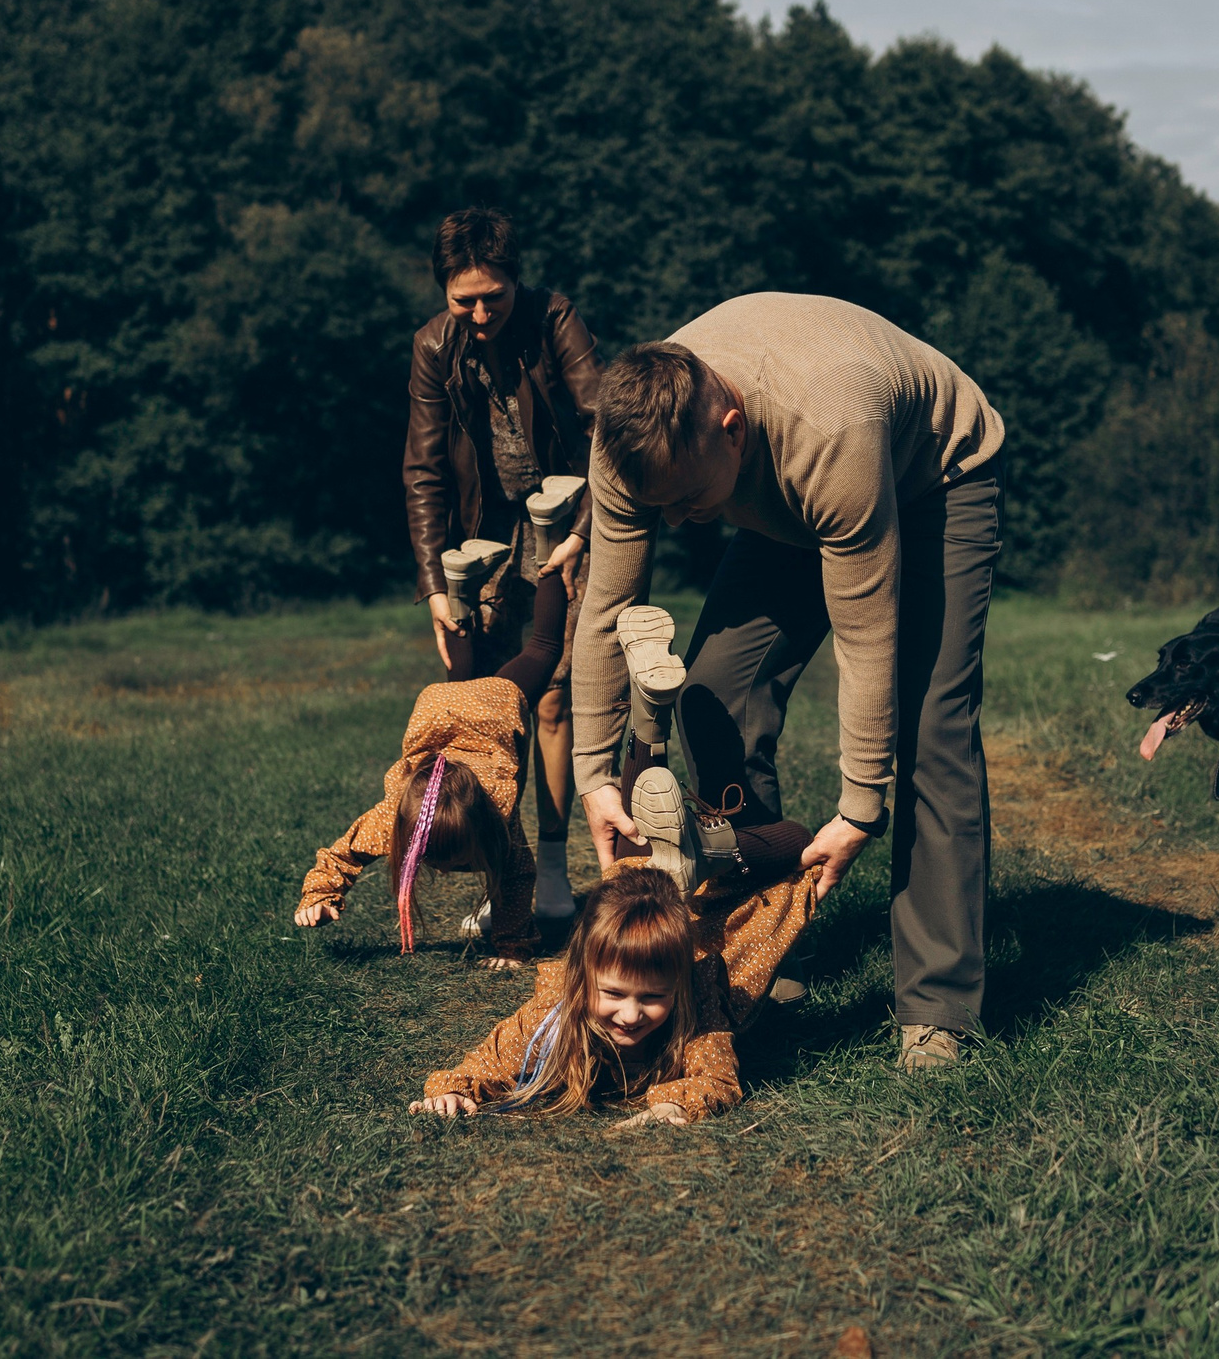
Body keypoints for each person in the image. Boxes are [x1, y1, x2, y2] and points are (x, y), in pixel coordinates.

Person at [570, 293, 1003, 1072]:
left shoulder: (828, 424)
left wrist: (860, 803)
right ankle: (771, 944)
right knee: (713, 696)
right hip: (792, 499)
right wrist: (595, 776)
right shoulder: (628, 434)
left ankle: (940, 1006)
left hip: (931, 476)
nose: (675, 523)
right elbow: (607, 604)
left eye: (687, 500)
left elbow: (867, 633)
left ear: (729, 429)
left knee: (930, 727)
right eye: (657, 505)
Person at [404, 209, 604, 934]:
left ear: (516, 281)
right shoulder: (432, 347)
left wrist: (584, 530)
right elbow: (424, 471)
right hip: (477, 543)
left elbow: (601, 425)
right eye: (466, 299)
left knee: (551, 699)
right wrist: (434, 585)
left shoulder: (556, 319)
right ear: (445, 294)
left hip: (563, 524)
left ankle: (552, 872)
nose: (482, 312)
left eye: (496, 295)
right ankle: (505, 876)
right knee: (486, 710)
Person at [294, 568, 571, 967]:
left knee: (543, 650)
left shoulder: (497, 820)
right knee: (462, 677)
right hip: (440, 713)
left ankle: (549, 560)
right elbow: (345, 853)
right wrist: (319, 895)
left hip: (491, 706)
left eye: (454, 858)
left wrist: (513, 948)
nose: (444, 870)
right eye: (433, 859)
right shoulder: (395, 816)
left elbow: (515, 879)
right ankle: (459, 584)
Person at [411, 868, 738, 1125]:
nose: (631, 1015)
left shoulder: (696, 1000)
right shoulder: (552, 1013)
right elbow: (487, 1063)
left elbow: (718, 1078)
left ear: (678, 987)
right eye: (613, 993)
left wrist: (672, 1104)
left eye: (653, 997)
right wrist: (452, 1092)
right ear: (581, 978)